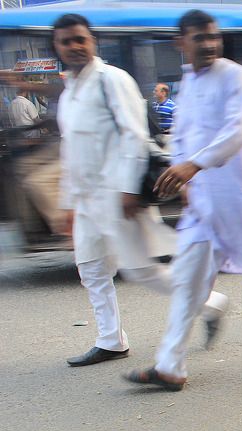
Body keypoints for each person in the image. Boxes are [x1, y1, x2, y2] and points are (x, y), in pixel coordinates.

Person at [125, 10, 242, 390]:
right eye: (199, 38)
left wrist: (192, 166)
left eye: (213, 36)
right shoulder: (187, 83)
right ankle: (170, 366)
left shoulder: (235, 76)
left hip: (238, 199)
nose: (210, 43)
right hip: (203, 205)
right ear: (181, 43)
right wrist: (184, 178)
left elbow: (237, 130)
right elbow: (181, 134)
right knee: (188, 282)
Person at [47, 13, 227, 367]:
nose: (74, 46)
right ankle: (110, 340)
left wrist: (128, 189)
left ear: (92, 41)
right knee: (91, 269)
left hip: (117, 195)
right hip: (86, 200)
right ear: (57, 46)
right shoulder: (70, 91)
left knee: (140, 270)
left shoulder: (111, 80)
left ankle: (212, 305)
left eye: (80, 39)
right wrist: (68, 203)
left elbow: (134, 134)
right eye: (66, 41)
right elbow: (71, 151)